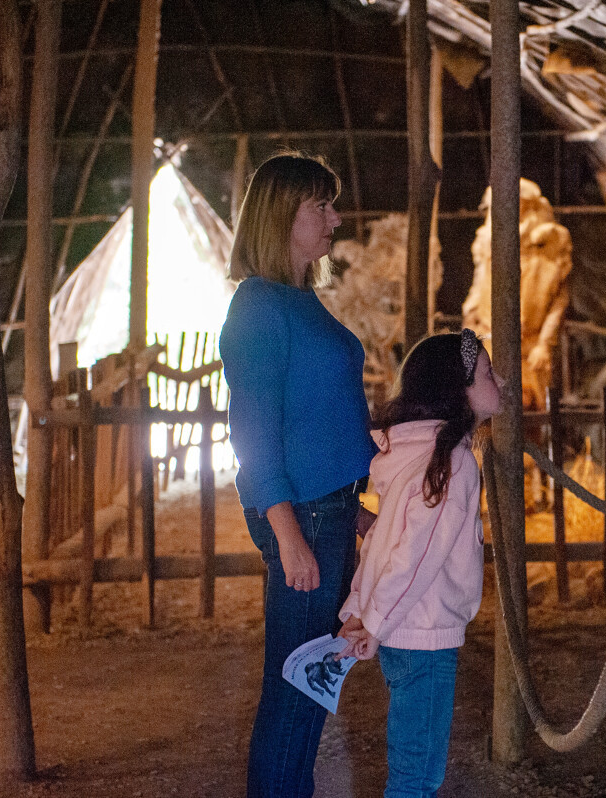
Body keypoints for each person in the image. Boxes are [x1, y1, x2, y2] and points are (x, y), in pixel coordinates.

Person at [219, 152, 378, 798]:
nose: (335, 217)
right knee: (295, 686)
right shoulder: (258, 307)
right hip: (304, 514)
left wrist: (358, 506)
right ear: (284, 214)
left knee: (315, 680)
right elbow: (252, 433)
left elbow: (323, 417)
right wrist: (287, 534)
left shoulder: (300, 298)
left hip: (330, 508)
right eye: (321, 205)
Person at [337, 329, 501, 798]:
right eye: (488, 373)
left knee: (411, 765)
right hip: (423, 635)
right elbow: (416, 558)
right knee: (418, 775)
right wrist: (374, 622)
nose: (501, 380)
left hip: (400, 632)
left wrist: (360, 612)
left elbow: (384, 547)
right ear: (459, 389)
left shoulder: (417, 455)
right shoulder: (451, 465)